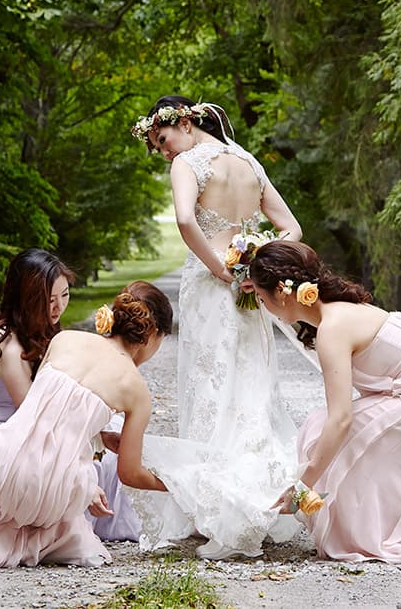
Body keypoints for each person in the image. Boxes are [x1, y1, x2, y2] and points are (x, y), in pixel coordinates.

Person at [125, 96, 304, 559]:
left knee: (211, 389)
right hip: (249, 290)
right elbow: (292, 229)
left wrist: (223, 269)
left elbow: (186, 220)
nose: (164, 152)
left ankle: (215, 507)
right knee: (249, 387)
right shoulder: (248, 161)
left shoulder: (189, 162)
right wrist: (257, 259)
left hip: (212, 287)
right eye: (158, 148)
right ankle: (255, 501)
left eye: (162, 140)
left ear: (183, 122)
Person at [246, 241, 401, 563]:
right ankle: (366, 529)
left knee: (331, 432)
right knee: (321, 430)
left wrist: (303, 484)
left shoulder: (332, 328)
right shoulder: (340, 310)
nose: (264, 307)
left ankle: (363, 536)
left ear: (281, 292)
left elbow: (342, 419)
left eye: (262, 299)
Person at [0, 281, 172, 571]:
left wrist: (98, 437)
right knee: (69, 514)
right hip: (54, 493)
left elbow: (48, 411)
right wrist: (176, 483)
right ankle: (40, 522)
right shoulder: (136, 391)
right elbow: (130, 473)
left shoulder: (65, 340)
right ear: (152, 335)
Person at [0, 248, 140, 541]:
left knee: (108, 450)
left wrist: (99, 434)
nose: (58, 308)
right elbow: (35, 418)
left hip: (34, 423)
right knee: (86, 465)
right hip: (6, 435)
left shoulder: (45, 330)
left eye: (65, 296)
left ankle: (103, 521)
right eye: (48, 300)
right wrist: (79, 475)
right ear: (26, 299)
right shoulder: (9, 346)